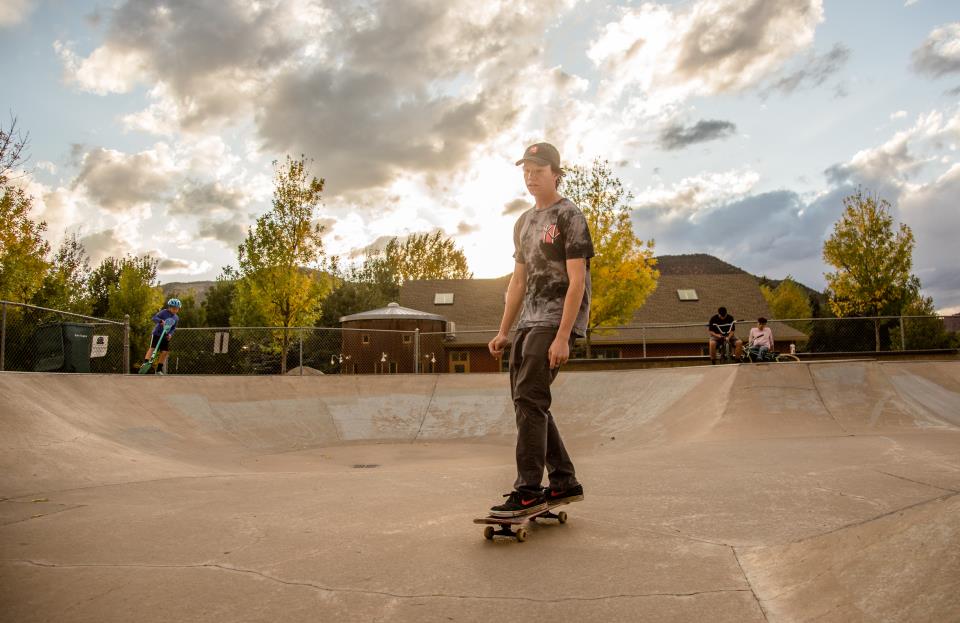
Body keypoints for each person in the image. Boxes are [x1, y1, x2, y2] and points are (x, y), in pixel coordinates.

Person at [487, 142, 594, 518]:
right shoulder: (523, 222)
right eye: (526, 171)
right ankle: (563, 481)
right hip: (528, 321)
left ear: (556, 173)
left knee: (530, 400)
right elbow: (518, 282)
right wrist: (503, 330)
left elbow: (577, 280)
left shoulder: (570, 216)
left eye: (538, 170)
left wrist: (564, 335)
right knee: (526, 401)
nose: (531, 177)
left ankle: (528, 490)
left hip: (556, 319)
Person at [142, 298, 181, 375]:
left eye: (177, 309)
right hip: (157, 333)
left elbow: (173, 328)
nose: (175, 310)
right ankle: (145, 363)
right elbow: (154, 318)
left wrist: (170, 334)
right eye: (173, 308)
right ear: (169, 307)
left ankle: (159, 369)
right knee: (153, 348)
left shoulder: (176, 318)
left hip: (165, 336)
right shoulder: (164, 312)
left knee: (165, 352)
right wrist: (160, 321)